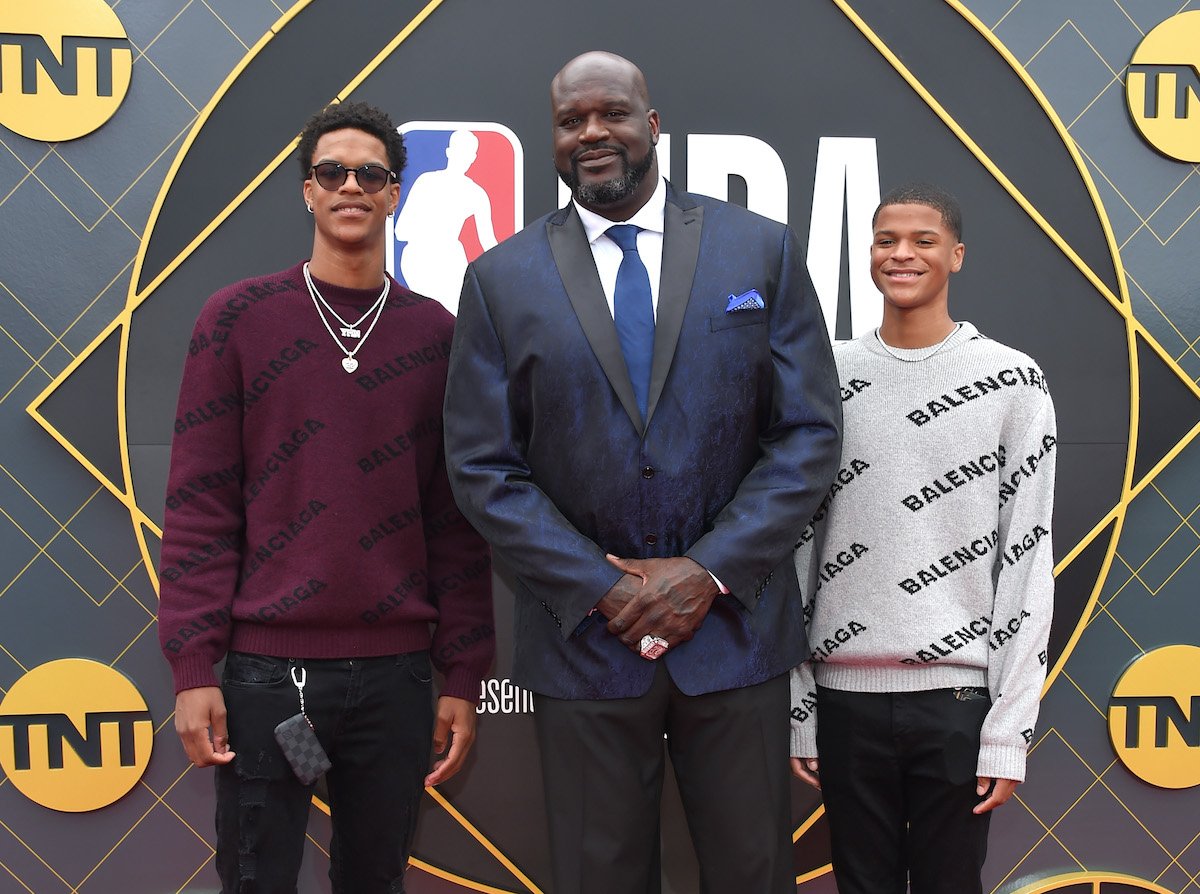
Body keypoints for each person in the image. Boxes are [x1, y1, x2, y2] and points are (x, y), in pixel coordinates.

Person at [443, 51, 841, 893]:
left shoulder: (758, 251)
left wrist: (709, 571)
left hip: (735, 639)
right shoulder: (500, 279)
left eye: (612, 113)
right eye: (570, 120)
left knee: (753, 874)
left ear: (653, 126)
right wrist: (601, 586)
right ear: (552, 138)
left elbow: (807, 433)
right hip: (586, 645)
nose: (592, 132)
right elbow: (483, 467)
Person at [157, 100, 494, 894]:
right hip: (265, 680)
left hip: (400, 681)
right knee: (256, 879)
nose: (352, 185)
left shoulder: (437, 336)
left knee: (375, 882)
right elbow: (201, 504)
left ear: (394, 194)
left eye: (370, 173)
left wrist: (462, 676)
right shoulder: (235, 320)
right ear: (306, 191)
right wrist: (194, 665)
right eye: (331, 171)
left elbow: (455, 523)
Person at [789, 182, 1056, 894]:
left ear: (957, 256)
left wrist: (1008, 731)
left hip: (959, 706)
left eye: (922, 240)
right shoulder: (826, 376)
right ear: (869, 254)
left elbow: (1028, 563)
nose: (901, 254)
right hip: (843, 701)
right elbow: (794, 553)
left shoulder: (1012, 382)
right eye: (886, 240)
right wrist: (803, 709)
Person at [394, 128, 498, 311]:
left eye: (470, 153)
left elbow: (489, 243)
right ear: (449, 151)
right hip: (419, 257)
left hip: (452, 260)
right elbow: (401, 231)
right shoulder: (426, 182)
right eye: (461, 151)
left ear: (474, 157)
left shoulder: (476, 193)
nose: (465, 158)